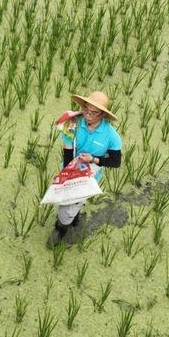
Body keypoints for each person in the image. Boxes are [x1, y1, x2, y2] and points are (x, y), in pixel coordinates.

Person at [46, 91, 123, 248]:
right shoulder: (72, 124)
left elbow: (116, 161)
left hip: (91, 173)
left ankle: (60, 229)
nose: (88, 115)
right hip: (71, 166)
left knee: (67, 207)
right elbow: (67, 152)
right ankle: (74, 218)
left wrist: (94, 159)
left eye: (94, 113)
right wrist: (65, 175)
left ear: (102, 115)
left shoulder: (111, 135)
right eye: (86, 109)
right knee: (67, 199)